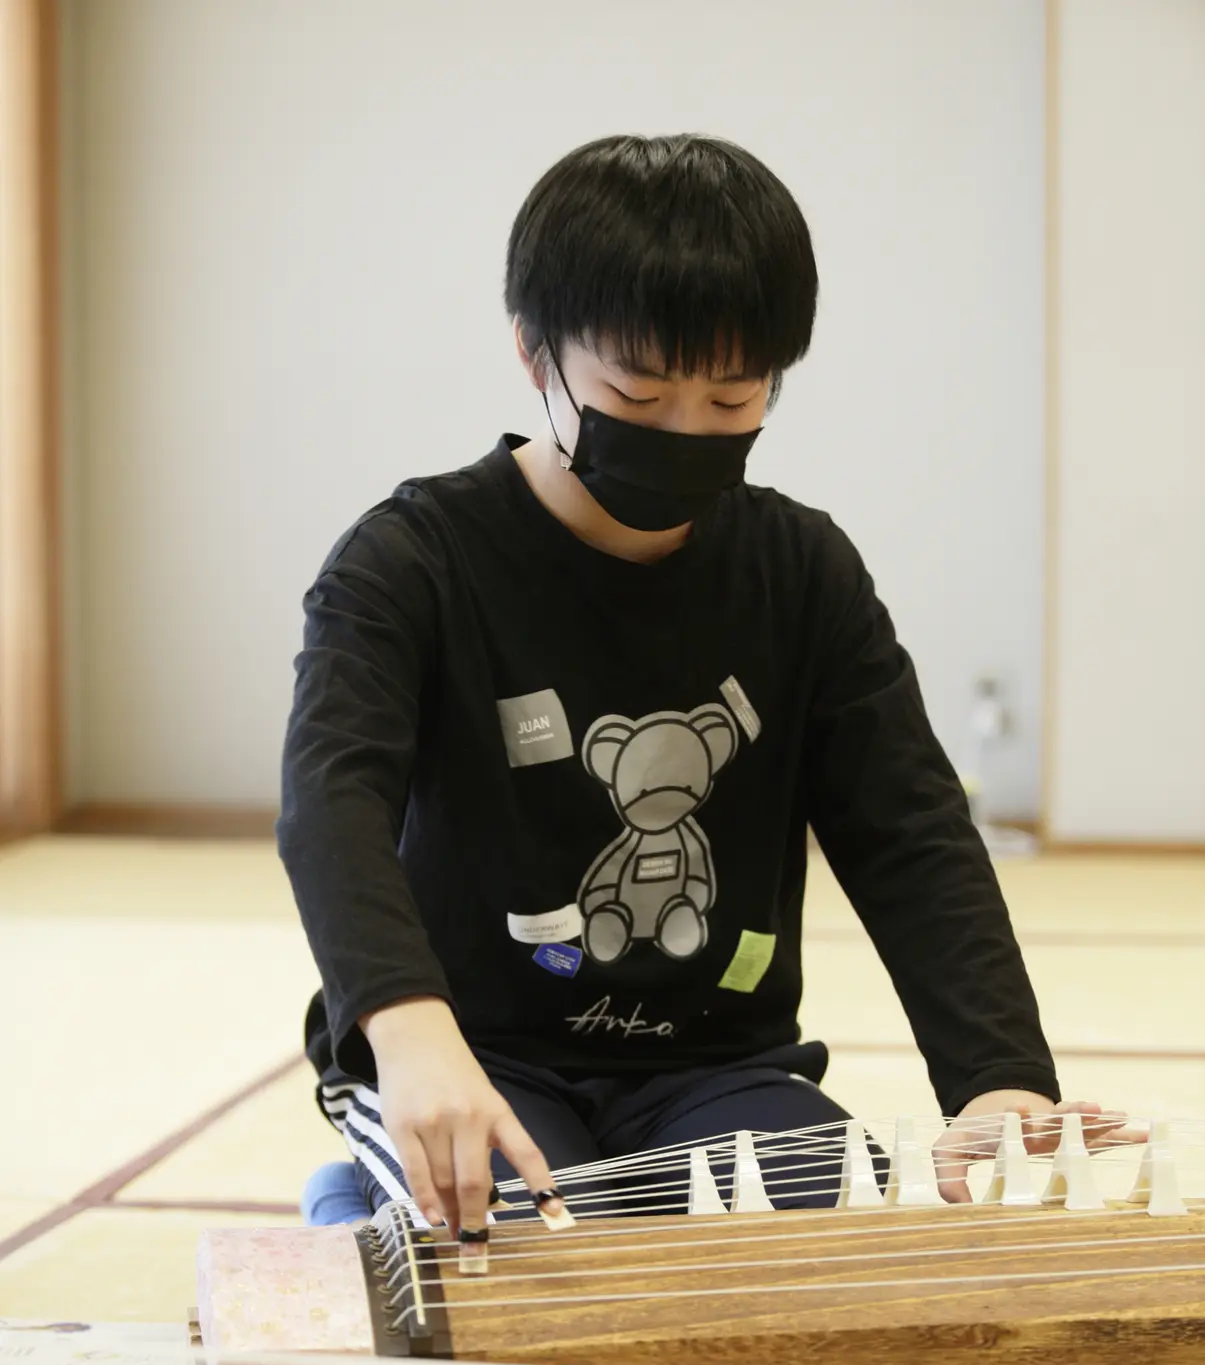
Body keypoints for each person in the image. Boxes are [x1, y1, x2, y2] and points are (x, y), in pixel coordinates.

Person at [278, 132, 1111, 1241]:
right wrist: (407, 1029)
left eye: (731, 401)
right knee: (520, 1244)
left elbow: (909, 831)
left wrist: (997, 1082)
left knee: (821, 1228)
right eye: (637, 392)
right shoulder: (411, 560)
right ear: (534, 352)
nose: (686, 432)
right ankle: (356, 1193)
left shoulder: (800, 571)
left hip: (713, 1066)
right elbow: (330, 803)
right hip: (471, 1050)